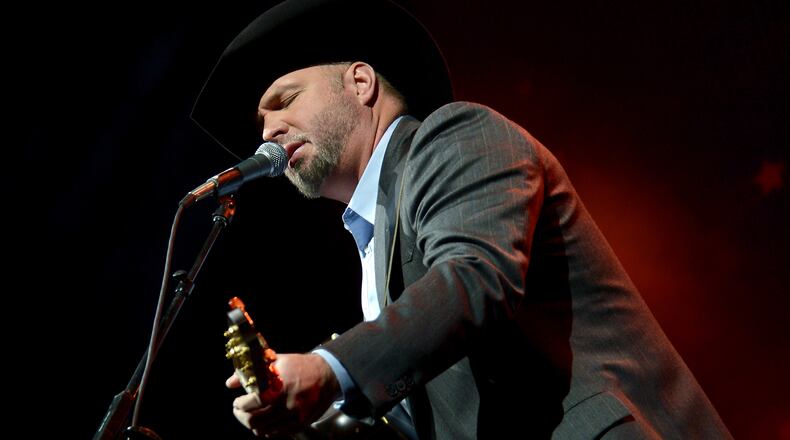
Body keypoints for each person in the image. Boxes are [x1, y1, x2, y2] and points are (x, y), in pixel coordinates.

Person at [191, 0, 733, 438]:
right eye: (261, 121)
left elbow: (477, 276)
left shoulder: (452, 135)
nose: (268, 131)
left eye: (284, 100)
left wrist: (328, 368)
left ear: (361, 84)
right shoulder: (371, 240)